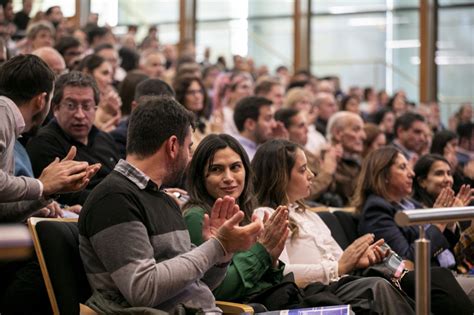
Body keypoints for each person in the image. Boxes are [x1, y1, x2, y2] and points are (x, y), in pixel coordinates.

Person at [78, 96, 263, 314]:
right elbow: (143, 289)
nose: (190, 157)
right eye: (189, 147)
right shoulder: (113, 199)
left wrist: (222, 254)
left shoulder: (164, 199)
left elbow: (197, 285)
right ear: (173, 146)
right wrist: (216, 246)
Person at [251, 139, 415, 315]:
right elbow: (282, 274)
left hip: (337, 285)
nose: (311, 175)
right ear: (280, 177)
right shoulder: (265, 215)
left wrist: (357, 260)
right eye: (302, 169)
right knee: (376, 286)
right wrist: (337, 268)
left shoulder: (309, 215)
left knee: (399, 280)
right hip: (307, 294)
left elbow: (340, 261)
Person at [353, 146, 474, 314]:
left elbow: (445, 247)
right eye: (403, 168)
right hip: (423, 286)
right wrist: (439, 223)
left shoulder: (411, 204)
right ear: (383, 175)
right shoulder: (377, 210)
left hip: (446, 274)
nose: (411, 173)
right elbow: (407, 264)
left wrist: (450, 223)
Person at [183, 134, 290, 304]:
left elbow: (268, 285)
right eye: (216, 169)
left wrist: (272, 260)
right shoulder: (197, 217)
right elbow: (220, 289)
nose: (228, 178)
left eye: (235, 167)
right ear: (200, 177)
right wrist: (262, 251)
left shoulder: (247, 210)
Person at [27, 71, 119, 206]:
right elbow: (66, 196)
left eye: (87, 106)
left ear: (96, 109)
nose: (80, 115)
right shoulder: (42, 143)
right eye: (71, 106)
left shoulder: (105, 139)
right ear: (56, 108)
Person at [77, 54, 121, 131]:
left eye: (110, 75)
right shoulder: (76, 98)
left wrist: (115, 112)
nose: (109, 80)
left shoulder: (109, 96)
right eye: (105, 73)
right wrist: (104, 111)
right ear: (87, 73)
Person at [233, 96, 286, 160]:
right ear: (250, 124)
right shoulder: (240, 155)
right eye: (268, 119)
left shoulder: (258, 148)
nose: (274, 125)